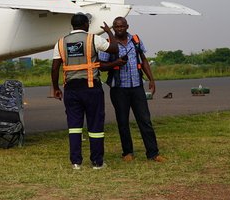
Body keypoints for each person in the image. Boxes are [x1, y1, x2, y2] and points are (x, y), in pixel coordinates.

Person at [51, 13, 118, 170]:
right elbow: (114, 48)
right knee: (95, 125)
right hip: (91, 88)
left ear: (72, 25)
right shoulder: (93, 39)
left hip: (71, 89)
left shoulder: (60, 43)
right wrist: (109, 32)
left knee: (74, 126)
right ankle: (97, 162)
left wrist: (55, 88)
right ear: (86, 24)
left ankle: (76, 162)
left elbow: (55, 67)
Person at [98, 16, 165, 163]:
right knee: (122, 122)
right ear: (113, 28)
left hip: (137, 87)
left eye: (122, 26)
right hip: (119, 89)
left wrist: (151, 79)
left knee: (145, 120)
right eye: (116, 27)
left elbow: (144, 59)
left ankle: (153, 153)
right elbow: (101, 66)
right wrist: (116, 62)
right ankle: (127, 152)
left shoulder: (135, 40)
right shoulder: (108, 43)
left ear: (127, 27)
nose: (119, 29)